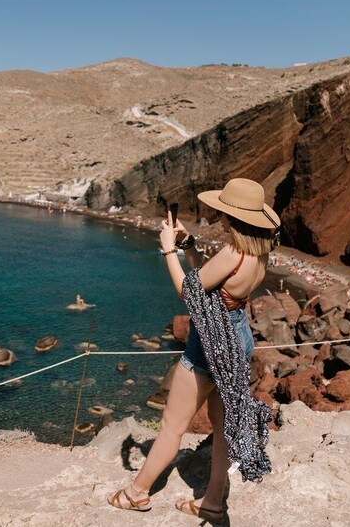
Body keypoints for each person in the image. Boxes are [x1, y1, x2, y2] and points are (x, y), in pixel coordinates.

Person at [107, 178, 279, 523]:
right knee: (221, 424)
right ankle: (212, 502)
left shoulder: (234, 252)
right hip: (238, 337)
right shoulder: (258, 252)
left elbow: (191, 292)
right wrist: (189, 246)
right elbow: (213, 277)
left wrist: (169, 249)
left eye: (223, 211)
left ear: (232, 216)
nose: (219, 215)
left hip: (211, 344)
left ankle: (136, 493)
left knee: (172, 426)